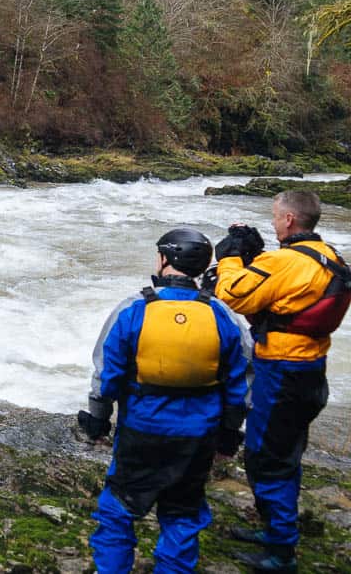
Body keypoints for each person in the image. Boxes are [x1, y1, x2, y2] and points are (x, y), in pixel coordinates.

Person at [78, 227, 250, 573]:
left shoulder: (133, 308)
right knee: (183, 514)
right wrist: (230, 433)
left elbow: (106, 373)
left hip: (142, 430)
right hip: (198, 436)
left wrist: (98, 419)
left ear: (164, 259)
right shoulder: (222, 314)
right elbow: (241, 381)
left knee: (117, 512)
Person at [211, 190, 348, 573]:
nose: (273, 224)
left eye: (275, 217)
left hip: (282, 374)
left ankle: (281, 553)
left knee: (268, 456)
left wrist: (232, 257)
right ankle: (276, 532)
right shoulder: (330, 257)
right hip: (310, 371)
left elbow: (231, 294)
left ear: (289, 220)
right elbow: (283, 294)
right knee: (285, 453)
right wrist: (255, 260)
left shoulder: (284, 261)